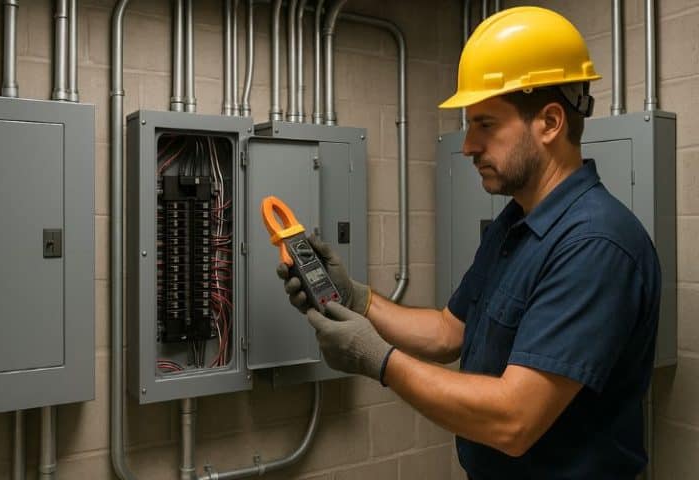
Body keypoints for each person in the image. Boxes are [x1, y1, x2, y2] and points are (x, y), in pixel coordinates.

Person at [275, 6, 661, 480]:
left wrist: (376, 359)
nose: (467, 146)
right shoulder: (516, 223)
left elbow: (514, 420)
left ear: (550, 122)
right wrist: (358, 298)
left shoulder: (595, 245)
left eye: (486, 124)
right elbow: (446, 332)